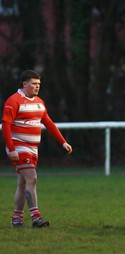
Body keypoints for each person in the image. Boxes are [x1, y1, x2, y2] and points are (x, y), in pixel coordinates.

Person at [2, 70, 73, 228]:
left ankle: (17, 219)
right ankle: (36, 217)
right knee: (32, 178)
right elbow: (6, 125)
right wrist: (12, 148)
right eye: (34, 84)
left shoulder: (39, 102)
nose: (37, 87)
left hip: (33, 148)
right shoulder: (14, 101)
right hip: (19, 147)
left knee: (23, 182)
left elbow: (48, 122)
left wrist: (63, 142)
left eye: (39, 84)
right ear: (24, 84)